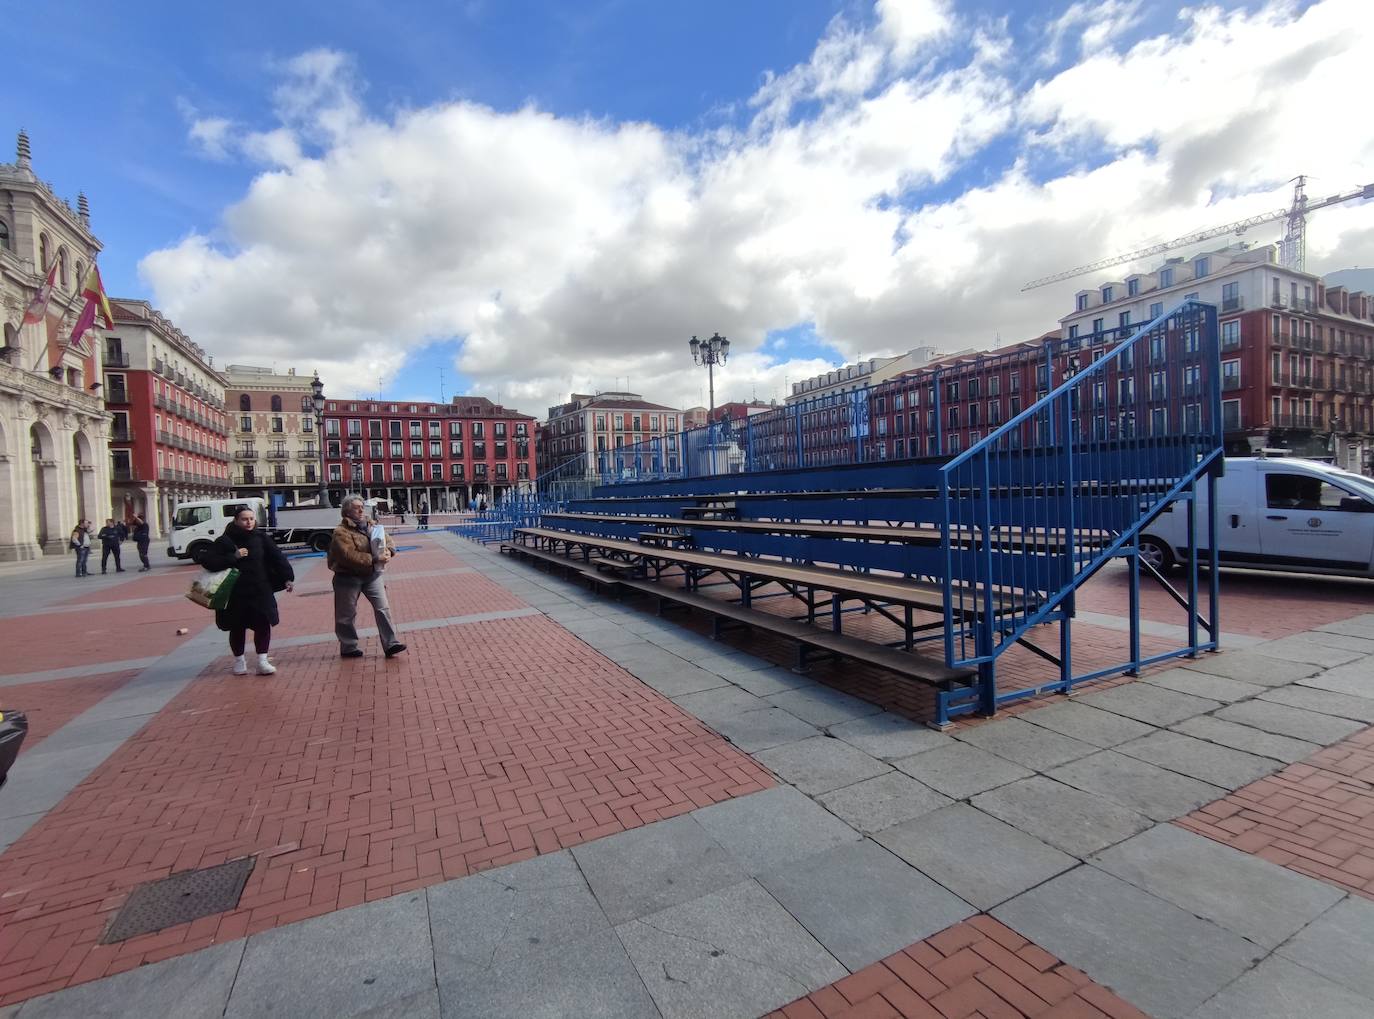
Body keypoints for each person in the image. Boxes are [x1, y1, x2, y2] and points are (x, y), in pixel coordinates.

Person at [199, 505, 295, 676]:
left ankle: (262, 661)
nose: (249, 522)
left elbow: (277, 557)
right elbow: (208, 561)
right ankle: (239, 661)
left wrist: (288, 577)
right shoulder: (225, 540)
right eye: (244, 519)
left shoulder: (261, 537)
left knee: (263, 625)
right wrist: (233, 557)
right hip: (235, 594)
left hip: (260, 590)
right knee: (237, 627)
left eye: (251, 518)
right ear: (236, 521)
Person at [328, 494, 406, 659]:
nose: (362, 509)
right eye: (357, 507)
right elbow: (348, 555)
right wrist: (375, 558)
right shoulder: (340, 532)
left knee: (383, 608)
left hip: (372, 576)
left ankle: (391, 644)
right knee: (346, 614)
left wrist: (389, 551)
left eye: (362, 506)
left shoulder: (372, 525)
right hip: (347, 577)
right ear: (347, 512)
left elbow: (388, 541)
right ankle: (348, 646)